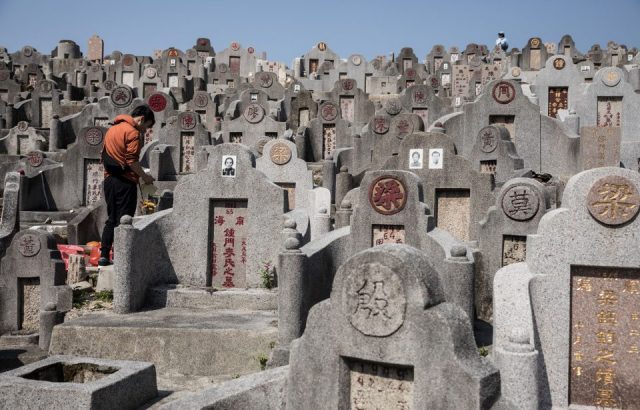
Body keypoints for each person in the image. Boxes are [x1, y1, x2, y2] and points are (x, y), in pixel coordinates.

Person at [98, 105, 155, 266]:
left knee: (112, 218)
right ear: (141, 119)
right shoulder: (132, 132)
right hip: (125, 182)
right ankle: (120, 256)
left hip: (109, 180)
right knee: (125, 219)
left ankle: (104, 255)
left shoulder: (112, 129)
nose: (145, 131)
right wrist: (145, 177)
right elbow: (132, 161)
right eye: (147, 126)